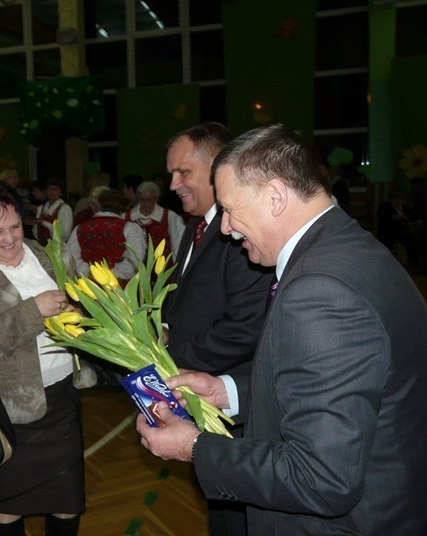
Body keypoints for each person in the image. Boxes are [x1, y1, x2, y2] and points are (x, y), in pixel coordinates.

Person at [137, 124, 427, 535]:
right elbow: (331, 391)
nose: (226, 229)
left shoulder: (321, 291)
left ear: (275, 196)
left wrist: (194, 448)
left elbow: (321, 479)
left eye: (231, 210)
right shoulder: (348, 246)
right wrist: (228, 391)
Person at [0, 183, 96, 536]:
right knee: (7, 505)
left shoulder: (47, 254)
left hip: (61, 396)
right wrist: (35, 310)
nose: (10, 238)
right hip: (9, 407)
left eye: (15, 226)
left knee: (66, 500)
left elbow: (81, 306)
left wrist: (80, 310)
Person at [163, 122, 272, 536]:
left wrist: (170, 362)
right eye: (171, 173)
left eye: (182, 172)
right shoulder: (195, 227)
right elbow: (188, 301)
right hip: (203, 395)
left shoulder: (237, 231)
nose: (173, 184)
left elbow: (246, 327)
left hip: (235, 399)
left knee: (240, 513)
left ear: (216, 169)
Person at [68, 188, 145, 283]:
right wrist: (114, 274)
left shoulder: (80, 228)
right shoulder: (131, 228)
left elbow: (71, 258)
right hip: (119, 288)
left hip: (89, 285)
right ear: (121, 206)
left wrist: (88, 272)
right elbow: (136, 260)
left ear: (99, 204)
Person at [125, 181, 185, 261]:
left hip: (162, 269)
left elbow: (178, 244)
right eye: (142, 200)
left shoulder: (170, 217)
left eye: (149, 200)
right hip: (134, 270)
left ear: (156, 199)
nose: (145, 203)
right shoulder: (126, 217)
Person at [32, 177, 73, 244]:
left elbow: (65, 234)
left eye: (56, 189)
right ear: (45, 191)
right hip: (41, 246)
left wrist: (43, 222)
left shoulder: (65, 208)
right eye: (50, 189)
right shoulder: (41, 208)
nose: (52, 192)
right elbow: (35, 230)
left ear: (60, 192)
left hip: (58, 248)